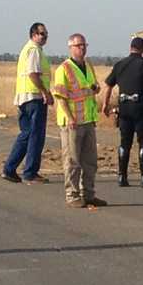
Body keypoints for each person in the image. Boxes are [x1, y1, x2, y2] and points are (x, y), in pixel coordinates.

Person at [101, 37, 143, 188]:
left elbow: (108, 86)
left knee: (125, 143)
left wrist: (105, 105)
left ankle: (122, 177)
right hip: (141, 109)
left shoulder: (120, 65)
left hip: (124, 109)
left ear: (130, 48)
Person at [52, 33, 106, 208]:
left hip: (88, 119)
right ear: (71, 48)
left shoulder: (88, 65)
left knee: (90, 161)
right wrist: (69, 117)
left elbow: (92, 88)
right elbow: (60, 97)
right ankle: (72, 194)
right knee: (72, 160)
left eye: (84, 45)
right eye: (78, 45)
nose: (82, 48)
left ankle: (88, 194)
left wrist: (95, 89)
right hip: (72, 122)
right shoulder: (64, 69)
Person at [2, 23, 54, 184]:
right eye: (42, 33)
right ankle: (30, 172)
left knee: (26, 134)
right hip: (34, 98)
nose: (45, 37)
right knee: (36, 136)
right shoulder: (34, 50)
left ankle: (9, 169)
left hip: (25, 97)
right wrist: (45, 92)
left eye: (46, 34)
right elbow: (33, 74)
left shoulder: (29, 49)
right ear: (33, 34)